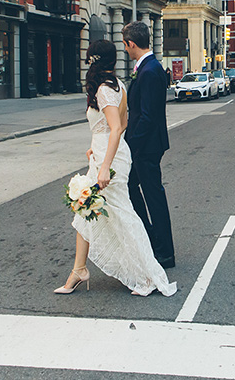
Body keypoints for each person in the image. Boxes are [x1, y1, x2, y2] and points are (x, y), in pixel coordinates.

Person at [54, 40, 176, 297]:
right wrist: (93, 147)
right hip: (105, 154)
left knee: (121, 214)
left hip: (108, 159)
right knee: (84, 210)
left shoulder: (104, 90)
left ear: (93, 61)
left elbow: (118, 128)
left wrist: (105, 167)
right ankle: (78, 269)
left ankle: (146, 274)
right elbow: (117, 123)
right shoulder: (117, 85)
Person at [122, 21, 175, 269]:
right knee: (131, 189)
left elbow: (147, 116)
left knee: (154, 197)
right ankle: (152, 239)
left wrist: (131, 148)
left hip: (146, 147)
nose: (125, 49)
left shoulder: (151, 70)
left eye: (125, 45)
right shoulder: (148, 68)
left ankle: (164, 251)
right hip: (144, 146)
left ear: (132, 44)